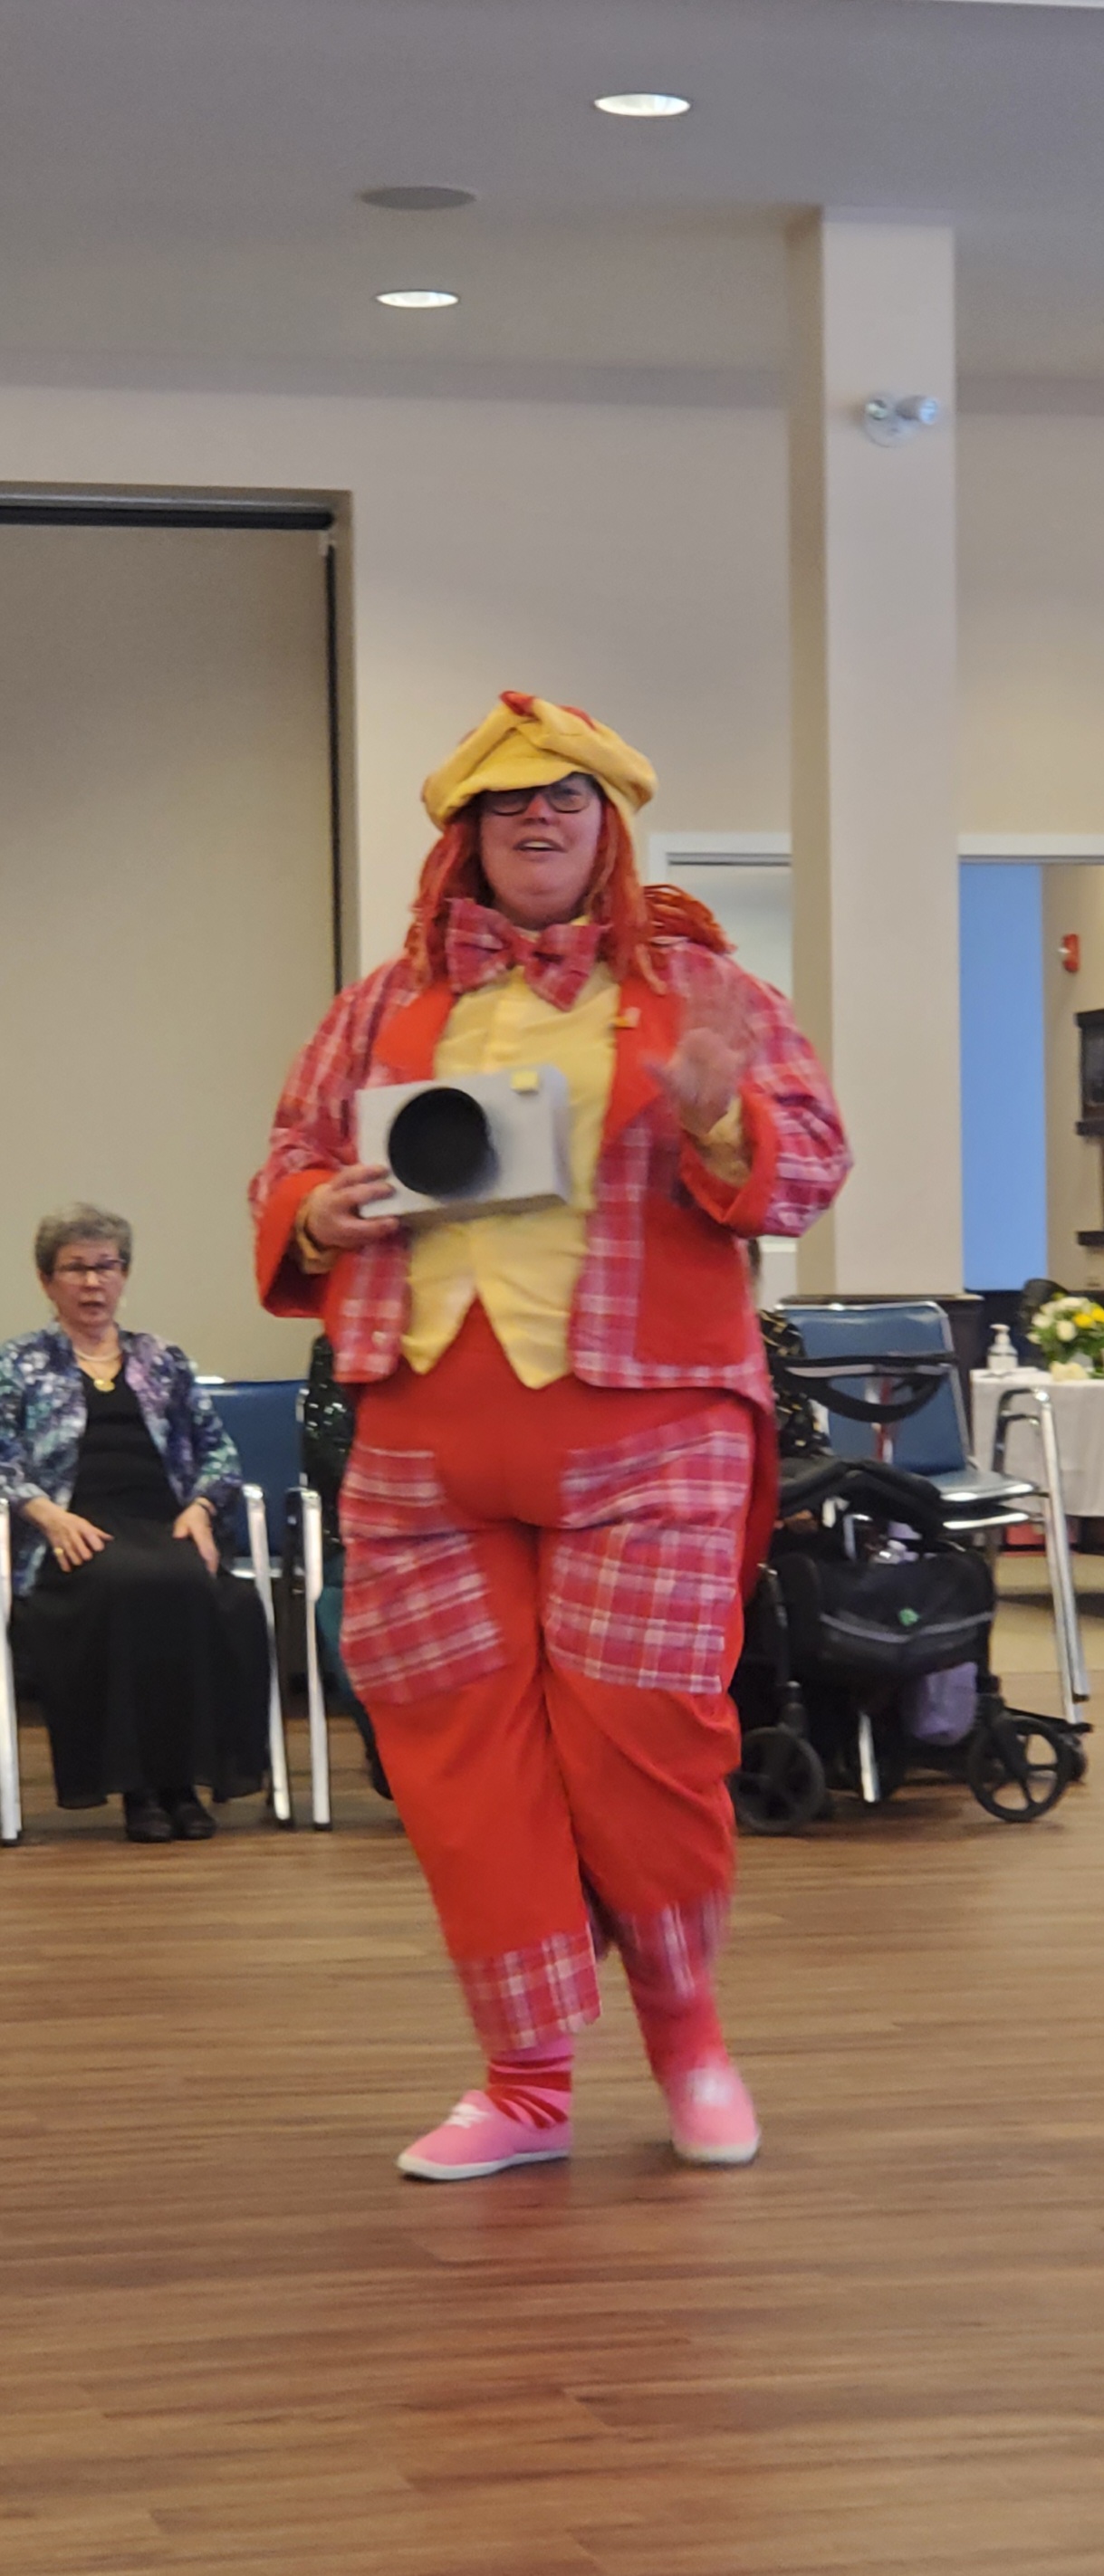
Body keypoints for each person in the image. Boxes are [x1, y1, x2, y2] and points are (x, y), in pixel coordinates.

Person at [252, 690, 850, 2178]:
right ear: (464, 835)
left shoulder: (699, 987)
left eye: (564, 797)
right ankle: (523, 2084)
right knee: (462, 1768)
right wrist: (316, 1212)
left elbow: (805, 1167)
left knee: (645, 1746)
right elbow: (291, 1160)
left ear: (608, 827)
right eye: (506, 800)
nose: (535, 818)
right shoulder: (378, 1006)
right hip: (421, 1439)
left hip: (648, 1429)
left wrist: (716, 1114)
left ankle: (687, 2039)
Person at [0, 1203, 270, 1842]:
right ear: (47, 1280)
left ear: (124, 1274)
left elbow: (220, 1452)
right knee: (125, 1585)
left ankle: (184, 1784)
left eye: (107, 1266)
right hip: (72, 1530)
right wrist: (45, 1513)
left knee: (202, 1590)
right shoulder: (21, 1362)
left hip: (165, 1523)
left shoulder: (162, 1359)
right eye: (76, 1268)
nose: (93, 1282)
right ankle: (140, 1790)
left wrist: (201, 1508)